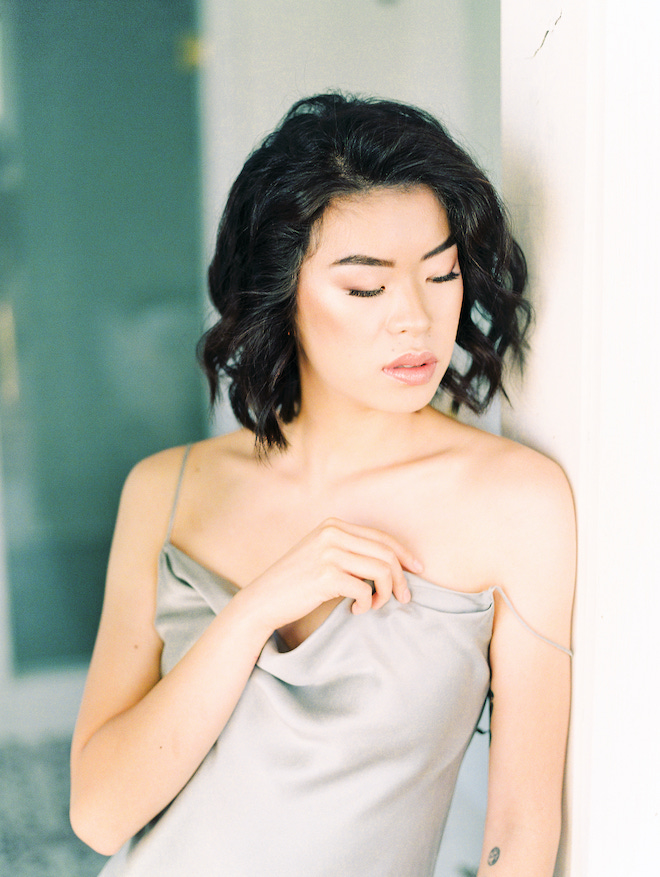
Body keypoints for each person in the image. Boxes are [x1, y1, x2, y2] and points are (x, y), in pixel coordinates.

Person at [70, 93, 575, 876]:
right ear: (284, 297)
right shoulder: (166, 488)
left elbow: (523, 824)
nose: (415, 317)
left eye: (440, 275)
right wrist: (254, 611)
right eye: (365, 289)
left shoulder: (518, 501)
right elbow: (101, 815)